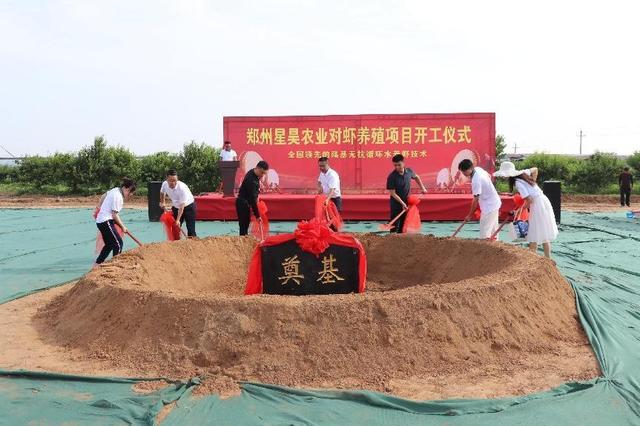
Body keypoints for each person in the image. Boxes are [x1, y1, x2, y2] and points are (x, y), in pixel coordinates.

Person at [494, 161, 558, 258]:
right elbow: (535, 169)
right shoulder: (523, 173)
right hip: (543, 200)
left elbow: (529, 200)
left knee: (534, 231)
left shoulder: (518, 183)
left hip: (537, 204)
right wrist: (533, 181)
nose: (503, 177)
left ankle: (531, 259)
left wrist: (519, 210)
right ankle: (547, 258)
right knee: (542, 231)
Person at [94, 178, 136, 265]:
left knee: (109, 244)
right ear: (126, 188)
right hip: (106, 221)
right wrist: (123, 227)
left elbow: (103, 196)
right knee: (118, 243)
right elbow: (114, 215)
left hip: (101, 221)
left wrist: (99, 208)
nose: (130, 194)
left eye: (132, 192)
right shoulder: (118, 197)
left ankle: (98, 263)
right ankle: (115, 265)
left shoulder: (115, 190)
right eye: (130, 192)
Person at [458, 159, 502, 239]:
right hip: (493, 202)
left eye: (464, 171)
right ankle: (495, 248)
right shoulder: (478, 169)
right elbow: (489, 176)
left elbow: (475, 200)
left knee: (485, 232)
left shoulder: (476, 180)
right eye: (462, 171)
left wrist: (470, 215)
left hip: (489, 206)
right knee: (493, 230)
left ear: (470, 168)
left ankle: (486, 249)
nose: (463, 174)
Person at [386, 154, 427, 233]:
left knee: (404, 222)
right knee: (395, 224)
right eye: (395, 165)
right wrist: (402, 203)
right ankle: (392, 240)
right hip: (396, 204)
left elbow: (416, 177)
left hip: (407, 202)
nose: (397, 167)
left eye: (399, 165)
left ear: (403, 163)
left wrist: (423, 188)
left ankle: (401, 239)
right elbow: (392, 193)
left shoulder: (409, 171)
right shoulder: (391, 177)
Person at [160, 169, 197, 237]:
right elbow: (162, 192)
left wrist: (178, 220)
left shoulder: (182, 188)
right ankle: (176, 245)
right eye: (171, 180)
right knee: (174, 228)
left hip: (188, 207)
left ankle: (193, 244)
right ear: (167, 179)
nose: (173, 183)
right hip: (176, 207)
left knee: (191, 230)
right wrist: (163, 202)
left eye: (175, 181)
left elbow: (182, 206)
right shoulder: (164, 184)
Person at [236, 160, 269, 235]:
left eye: (264, 173)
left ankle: (244, 240)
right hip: (243, 203)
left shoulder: (252, 172)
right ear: (257, 168)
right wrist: (257, 216)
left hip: (245, 203)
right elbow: (253, 200)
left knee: (245, 225)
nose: (262, 175)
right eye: (262, 172)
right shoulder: (251, 180)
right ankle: (242, 242)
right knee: (243, 226)